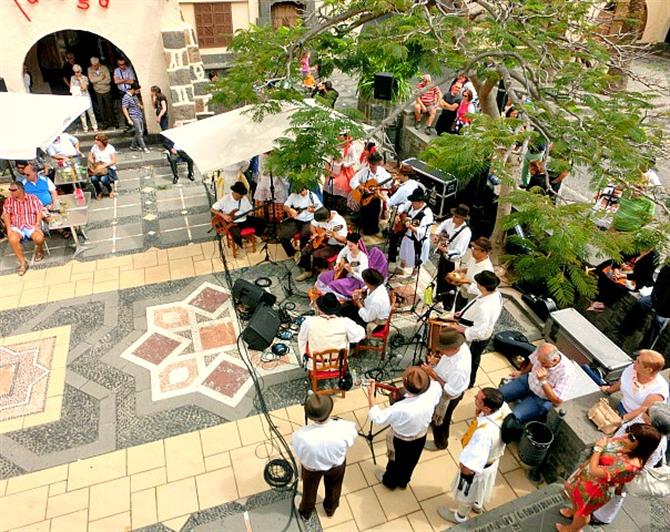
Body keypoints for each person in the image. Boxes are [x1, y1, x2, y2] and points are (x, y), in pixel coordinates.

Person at [559, 423, 661, 532]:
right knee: (574, 495)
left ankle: (572, 529)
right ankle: (573, 512)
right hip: (587, 478)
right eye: (628, 431)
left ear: (642, 445)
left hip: (596, 489)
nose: (626, 435)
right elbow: (609, 443)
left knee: (583, 512)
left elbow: (595, 470)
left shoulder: (629, 466)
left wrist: (598, 449)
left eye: (631, 437)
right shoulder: (627, 444)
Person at [439, 387, 511, 524]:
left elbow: (471, 463)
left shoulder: (483, 434)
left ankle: (460, 517)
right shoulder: (503, 408)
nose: (474, 399)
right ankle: (477, 505)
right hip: (493, 461)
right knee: (483, 489)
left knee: (467, 494)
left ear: (488, 409)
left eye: (478, 399)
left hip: (478, 470)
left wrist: (464, 473)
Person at [591, 402, 670, 525]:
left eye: (647, 413)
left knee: (617, 492)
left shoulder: (658, 444)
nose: (644, 413)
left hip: (627, 470)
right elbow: (625, 429)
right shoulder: (643, 421)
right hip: (616, 456)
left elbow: (645, 466)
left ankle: (602, 517)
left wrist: (624, 474)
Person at [367, 366, 442, 490]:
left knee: (395, 462)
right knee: (411, 461)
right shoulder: (434, 389)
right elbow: (437, 387)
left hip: (402, 440)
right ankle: (403, 481)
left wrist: (371, 397)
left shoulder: (401, 408)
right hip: (421, 436)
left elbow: (378, 418)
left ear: (405, 387)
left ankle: (390, 482)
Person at [292, 393, 357, 520]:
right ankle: (330, 509)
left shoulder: (300, 436)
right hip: (336, 466)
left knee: (309, 491)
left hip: (312, 469)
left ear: (310, 416)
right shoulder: (345, 427)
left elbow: (299, 453)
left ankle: (306, 512)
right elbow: (351, 441)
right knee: (334, 488)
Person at [447, 271, 503, 388]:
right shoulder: (493, 293)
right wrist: (462, 313)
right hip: (472, 324)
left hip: (476, 339)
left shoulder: (485, 308)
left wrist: (460, 329)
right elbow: (476, 300)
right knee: (473, 359)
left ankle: (467, 382)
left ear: (483, 285)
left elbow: (479, 331)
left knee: (470, 360)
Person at [500, 343, 575, 422]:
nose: (540, 365)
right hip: (529, 381)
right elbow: (532, 361)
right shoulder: (541, 352)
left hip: (541, 398)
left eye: (543, 363)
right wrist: (522, 373)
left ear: (554, 360)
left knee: (512, 418)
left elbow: (557, 401)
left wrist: (543, 380)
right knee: (496, 395)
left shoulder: (567, 372)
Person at [422, 329, 471, 451]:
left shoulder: (459, 368)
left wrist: (432, 374)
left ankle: (441, 443)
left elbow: (450, 391)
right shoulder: (460, 347)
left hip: (448, 396)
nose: (441, 351)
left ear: (453, 348)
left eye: (443, 349)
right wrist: (436, 362)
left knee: (442, 420)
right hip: (443, 384)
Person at [298, 293, 365, 368]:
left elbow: (302, 340)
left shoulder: (308, 322)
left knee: (305, 339)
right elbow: (361, 334)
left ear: (319, 308)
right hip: (338, 363)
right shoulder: (345, 322)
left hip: (315, 364)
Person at [600, 350, 668, 422]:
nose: (634, 362)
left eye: (638, 362)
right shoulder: (632, 369)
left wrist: (622, 419)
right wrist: (609, 390)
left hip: (637, 420)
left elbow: (644, 410)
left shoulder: (658, 390)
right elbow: (622, 381)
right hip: (622, 406)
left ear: (648, 370)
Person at [587, 249, 657, 312]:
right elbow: (619, 257)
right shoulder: (635, 246)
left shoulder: (654, 257)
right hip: (621, 269)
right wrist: (616, 269)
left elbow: (643, 275)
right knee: (605, 275)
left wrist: (624, 275)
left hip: (634, 277)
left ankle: (601, 304)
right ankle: (598, 302)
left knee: (619, 286)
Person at [620, 264, 670, 348]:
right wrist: (655, 300)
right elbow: (658, 286)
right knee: (641, 303)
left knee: (658, 321)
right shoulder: (667, 268)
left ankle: (644, 348)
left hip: (667, 308)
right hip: (657, 298)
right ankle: (624, 331)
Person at [2, 182, 45, 275]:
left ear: (20, 190)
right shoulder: (9, 200)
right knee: (12, 239)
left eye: (13, 190)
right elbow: (6, 215)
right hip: (17, 226)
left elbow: (39, 212)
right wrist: (9, 229)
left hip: (31, 225)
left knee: (39, 238)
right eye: (10, 190)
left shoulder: (32, 198)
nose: (11, 192)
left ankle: (40, 249)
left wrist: (37, 224)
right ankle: (22, 263)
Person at [295, 207, 348, 282]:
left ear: (327, 219)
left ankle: (321, 273)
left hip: (335, 245)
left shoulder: (339, 222)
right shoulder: (321, 214)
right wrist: (315, 233)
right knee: (305, 250)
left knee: (316, 254)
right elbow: (312, 225)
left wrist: (334, 235)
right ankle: (308, 271)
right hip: (322, 241)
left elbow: (344, 240)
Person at [433, 204, 472, 304]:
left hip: (453, 261)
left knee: (451, 282)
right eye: (454, 215)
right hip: (444, 256)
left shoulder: (466, 233)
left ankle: (447, 305)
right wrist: (437, 235)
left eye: (457, 217)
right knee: (440, 277)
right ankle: (438, 296)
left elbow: (459, 250)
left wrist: (445, 250)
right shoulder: (450, 221)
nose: (453, 218)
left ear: (462, 219)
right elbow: (442, 225)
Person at [388, 188, 433, 273]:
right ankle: (401, 269)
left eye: (414, 202)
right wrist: (398, 214)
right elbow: (402, 206)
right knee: (403, 254)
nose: (412, 203)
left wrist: (411, 227)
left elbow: (422, 232)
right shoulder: (410, 205)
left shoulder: (427, 214)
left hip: (418, 240)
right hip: (407, 236)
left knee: (416, 259)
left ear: (421, 202)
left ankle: (414, 274)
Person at [211, 182, 266, 247]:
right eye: (240, 195)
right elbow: (212, 209)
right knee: (237, 236)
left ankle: (255, 236)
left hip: (244, 220)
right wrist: (224, 216)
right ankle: (242, 243)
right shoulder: (225, 199)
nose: (241, 197)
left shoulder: (244, 198)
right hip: (232, 223)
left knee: (262, 221)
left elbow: (249, 209)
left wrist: (250, 213)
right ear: (235, 192)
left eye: (242, 195)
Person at [314, 232, 369, 296]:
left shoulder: (362, 258)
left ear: (357, 244)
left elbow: (363, 278)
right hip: (345, 272)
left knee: (333, 284)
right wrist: (337, 264)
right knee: (323, 276)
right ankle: (320, 292)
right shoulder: (348, 248)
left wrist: (352, 272)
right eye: (348, 245)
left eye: (351, 246)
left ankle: (328, 297)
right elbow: (340, 254)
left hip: (355, 280)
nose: (349, 248)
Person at [349, 153, 391, 235]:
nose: (373, 166)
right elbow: (353, 181)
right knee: (366, 213)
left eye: (375, 164)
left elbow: (389, 182)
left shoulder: (382, 171)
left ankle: (374, 228)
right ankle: (366, 229)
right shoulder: (364, 171)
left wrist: (390, 185)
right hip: (366, 197)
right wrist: (362, 188)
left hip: (376, 197)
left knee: (376, 212)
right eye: (372, 163)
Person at [449, 237, 494, 310]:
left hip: (471, 300)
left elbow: (483, 291)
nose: (472, 250)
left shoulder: (487, 269)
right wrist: (460, 270)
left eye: (476, 249)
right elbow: (469, 268)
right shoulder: (473, 258)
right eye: (473, 247)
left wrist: (466, 281)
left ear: (484, 252)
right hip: (462, 293)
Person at [278, 187, 322, 260]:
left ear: (306, 188)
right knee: (282, 236)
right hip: (296, 220)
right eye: (300, 191)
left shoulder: (312, 196)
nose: (302, 193)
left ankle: (303, 257)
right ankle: (293, 253)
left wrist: (313, 210)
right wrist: (290, 210)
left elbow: (320, 209)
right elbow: (285, 206)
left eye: (303, 191)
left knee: (304, 237)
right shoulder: (293, 195)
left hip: (309, 221)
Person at [341, 268, 390, 333]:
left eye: (365, 281)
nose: (364, 282)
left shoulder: (376, 300)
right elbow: (366, 288)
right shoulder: (378, 285)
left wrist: (358, 302)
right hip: (369, 312)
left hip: (375, 324)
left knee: (349, 324)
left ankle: (352, 339)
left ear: (368, 282)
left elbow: (367, 318)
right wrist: (360, 290)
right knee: (345, 308)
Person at [253, 152, 289, 222]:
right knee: (261, 205)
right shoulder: (261, 155)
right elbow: (260, 170)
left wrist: (276, 172)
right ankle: (263, 226)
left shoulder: (280, 154)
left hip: (277, 182)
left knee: (276, 207)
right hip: (264, 181)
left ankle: (277, 225)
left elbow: (285, 171)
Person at [324, 133, 356, 212]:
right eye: (338, 135)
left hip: (344, 169)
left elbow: (354, 160)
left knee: (340, 185)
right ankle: (330, 204)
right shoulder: (336, 145)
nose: (338, 136)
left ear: (345, 136)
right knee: (329, 184)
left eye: (340, 135)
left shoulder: (350, 147)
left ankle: (341, 206)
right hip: (334, 168)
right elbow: (330, 156)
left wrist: (345, 164)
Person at [88, 133, 118, 199]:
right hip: (98, 167)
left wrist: (104, 165)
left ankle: (110, 190)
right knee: (93, 178)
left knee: (103, 179)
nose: (95, 141)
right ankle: (99, 191)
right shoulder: (95, 147)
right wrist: (92, 161)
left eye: (97, 140)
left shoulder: (110, 148)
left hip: (108, 168)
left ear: (102, 141)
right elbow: (90, 155)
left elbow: (114, 160)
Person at [122, 82, 149, 153]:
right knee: (139, 132)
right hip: (133, 116)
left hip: (139, 115)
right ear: (134, 89)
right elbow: (124, 108)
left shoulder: (134, 96)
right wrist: (129, 119)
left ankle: (133, 146)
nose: (138, 92)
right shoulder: (126, 97)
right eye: (137, 90)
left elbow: (138, 104)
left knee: (140, 131)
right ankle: (144, 147)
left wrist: (140, 106)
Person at [88, 57, 114, 129]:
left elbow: (108, 80)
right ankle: (105, 123)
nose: (95, 67)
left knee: (109, 106)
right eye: (93, 65)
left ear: (99, 63)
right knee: (101, 108)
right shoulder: (89, 69)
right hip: (97, 91)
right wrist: (101, 78)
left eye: (96, 65)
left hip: (106, 90)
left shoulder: (104, 68)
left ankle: (113, 122)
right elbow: (92, 80)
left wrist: (97, 82)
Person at [70, 65, 98, 133]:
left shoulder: (84, 77)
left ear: (81, 71)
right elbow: (72, 88)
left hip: (85, 96)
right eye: (75, 72)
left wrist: (80, 80)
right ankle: (85, 128)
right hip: (78, 97)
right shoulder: (72, 78)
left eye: (78, 72)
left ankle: (95, 126)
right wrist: (79, 88)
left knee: (90, 112)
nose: (77, 73)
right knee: (82, 114)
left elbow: (85, 88)